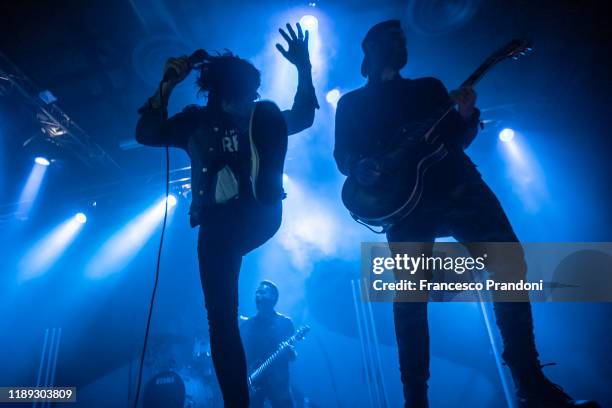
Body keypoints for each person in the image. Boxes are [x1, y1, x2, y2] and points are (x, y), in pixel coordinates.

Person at [334, 20, 598, 408]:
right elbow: (343, 156)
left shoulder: (427, 88)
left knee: (508, 263)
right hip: (404, 202)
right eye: (390, 39)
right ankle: (415, 399)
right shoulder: (352, 103)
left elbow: (458, 141)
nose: (399, 43)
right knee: (410, 294)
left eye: (402, 39)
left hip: (455, 184)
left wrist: (464, 116)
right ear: (368, 49)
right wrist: (360, 165)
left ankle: (529, 381)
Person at [135, 22, 318, 408]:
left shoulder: (261, 115)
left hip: (259, 214)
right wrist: (166, 86)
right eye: (246, 94)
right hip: (218, 224)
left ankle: (263, 181)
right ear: (224, 95)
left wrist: (304, 67)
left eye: (254, 93)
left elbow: (302, 116)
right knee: (221, 320)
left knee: (269, 116)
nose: (252, 99)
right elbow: (147, 133)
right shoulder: (194, 121)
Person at [241, 280, 296, 407]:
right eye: (256, 293)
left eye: (262, 292)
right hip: (254, 382)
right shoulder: (247, 326)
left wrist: (288, 352)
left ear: (273, 297)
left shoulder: (285, 323)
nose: (257, 296)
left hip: (279, 383)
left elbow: (292, 356)